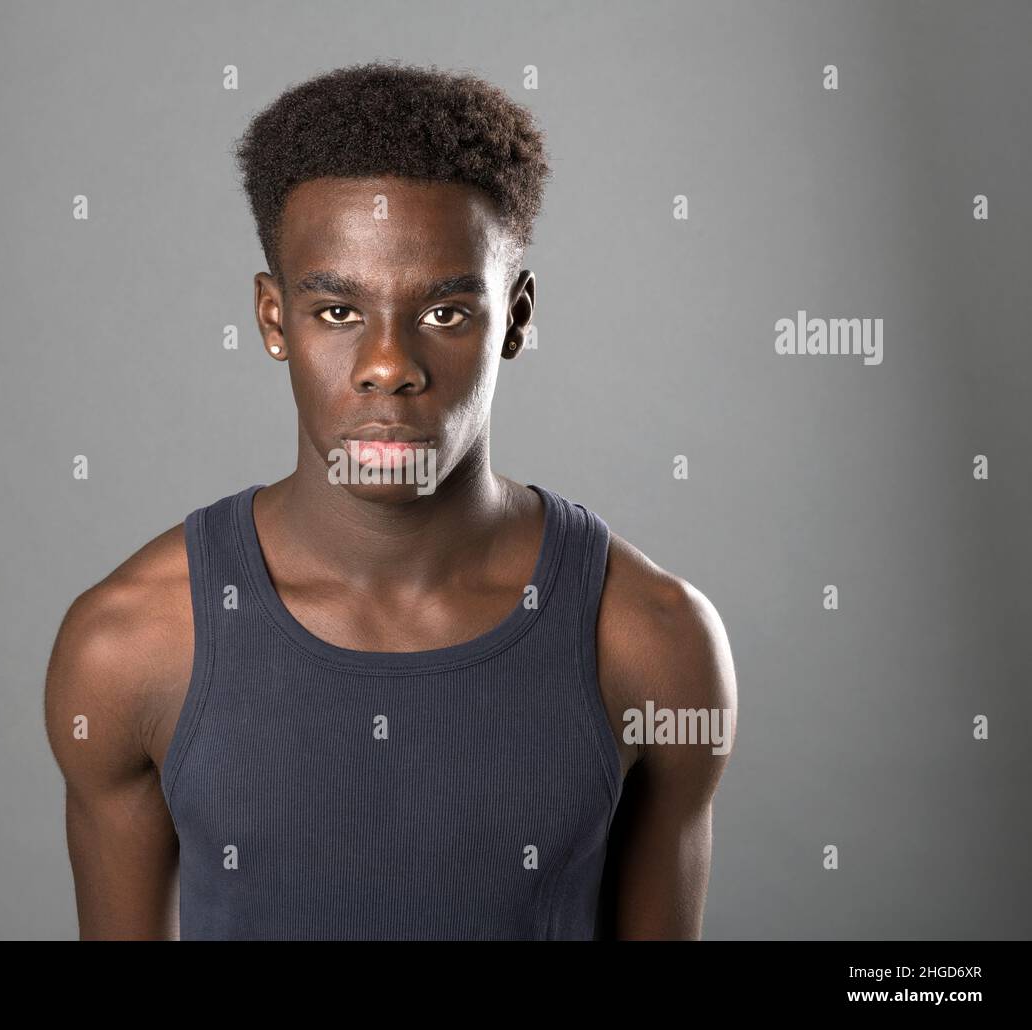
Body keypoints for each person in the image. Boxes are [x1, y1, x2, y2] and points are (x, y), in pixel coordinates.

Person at [45, 60, 738, 940]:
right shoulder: (131, 645)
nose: (388, 365)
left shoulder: (651, 637)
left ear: (516, 318)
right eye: (337, 311)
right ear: (272, 319)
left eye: (446, 313)